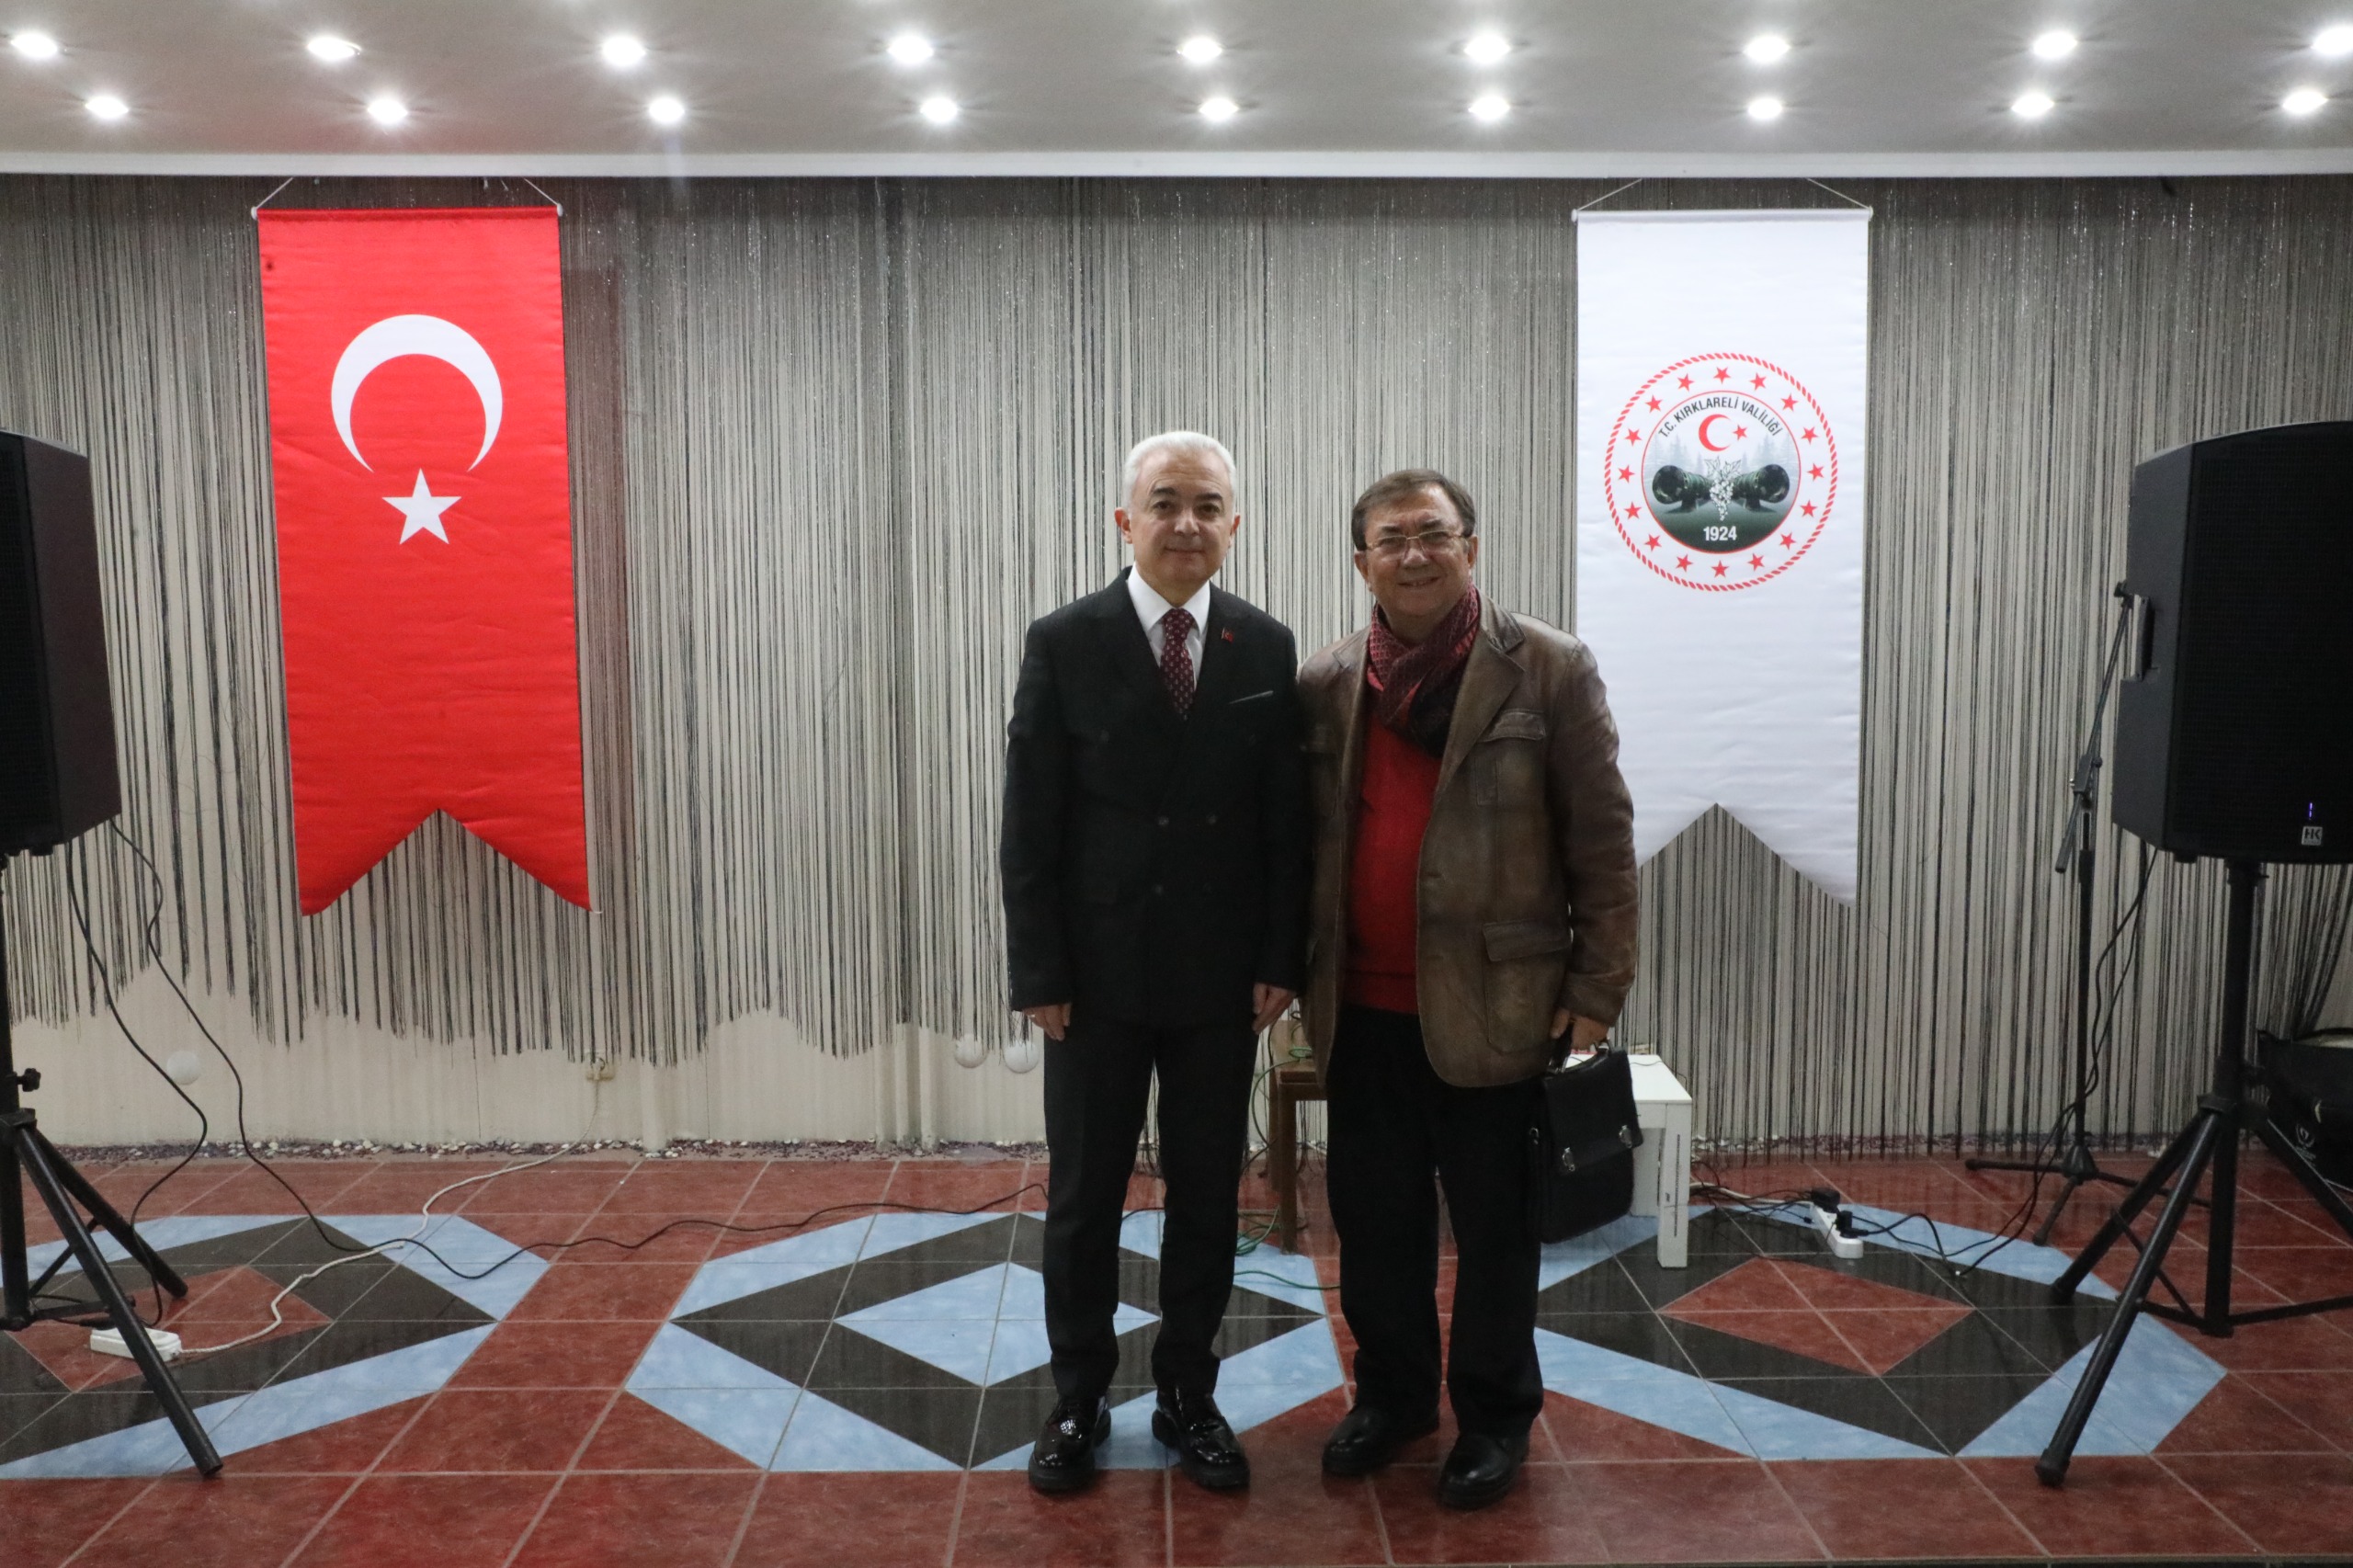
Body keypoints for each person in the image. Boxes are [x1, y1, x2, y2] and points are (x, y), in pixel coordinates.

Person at [1298, 469, 1637, 1509]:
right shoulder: (1325, 681)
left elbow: (1602, 839)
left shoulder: (1548, 666)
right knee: (1375, 1225)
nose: (1414, 554)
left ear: (1471, 547)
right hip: (1361, 1012)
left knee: (1496, 1230)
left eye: (1433, 534)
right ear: (1361, 562)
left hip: (1501, 1010)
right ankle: (1394, 1396)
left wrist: (1598, 985)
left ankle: (1494, 1415)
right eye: (1390, 539)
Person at [1000, 431, 1307, 1495]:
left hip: (1221, 976)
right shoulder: (1064, 638)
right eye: (1165, 502)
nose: (1186, 522)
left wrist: (1280, 954)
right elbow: (1030, 820)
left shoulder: (1264, 644)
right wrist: (1038, 968)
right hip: (1092, 976)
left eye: (1207, 505)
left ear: (1235, 524)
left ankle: (1187, 1389)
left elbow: (1285, 821)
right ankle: (1078, 1394)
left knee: (1207, 1193)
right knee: (1085, 1193)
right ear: (1125, 521)